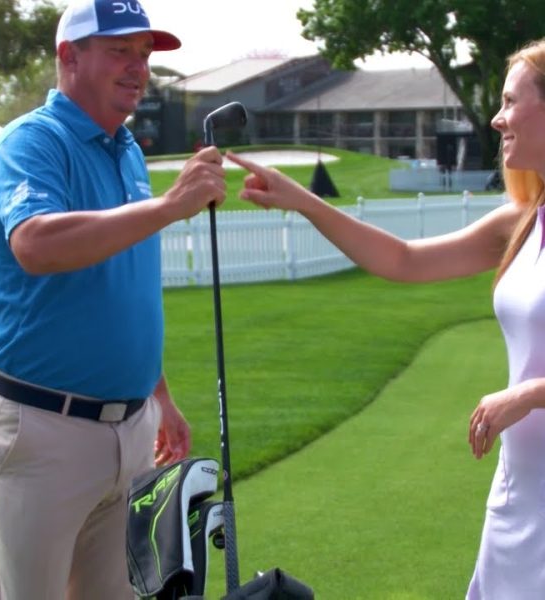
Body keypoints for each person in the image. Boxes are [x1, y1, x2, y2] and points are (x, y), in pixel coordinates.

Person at [227, 38, 545, 600]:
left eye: (509, 101)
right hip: (521, 495)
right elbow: (403, 260)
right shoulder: (519, 222)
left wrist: (525, 394)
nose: (497, 119)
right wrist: (304, 201)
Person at [0, 1, 226, 598]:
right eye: (119, 52)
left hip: (130, 429)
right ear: (68, 55)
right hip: (44, 429)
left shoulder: (125, 147)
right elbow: (35, 244)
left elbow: (120, 287)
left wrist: (158, 396)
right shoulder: (32, 142)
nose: (138, 68)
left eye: (143, 55)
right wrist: (167, 207)